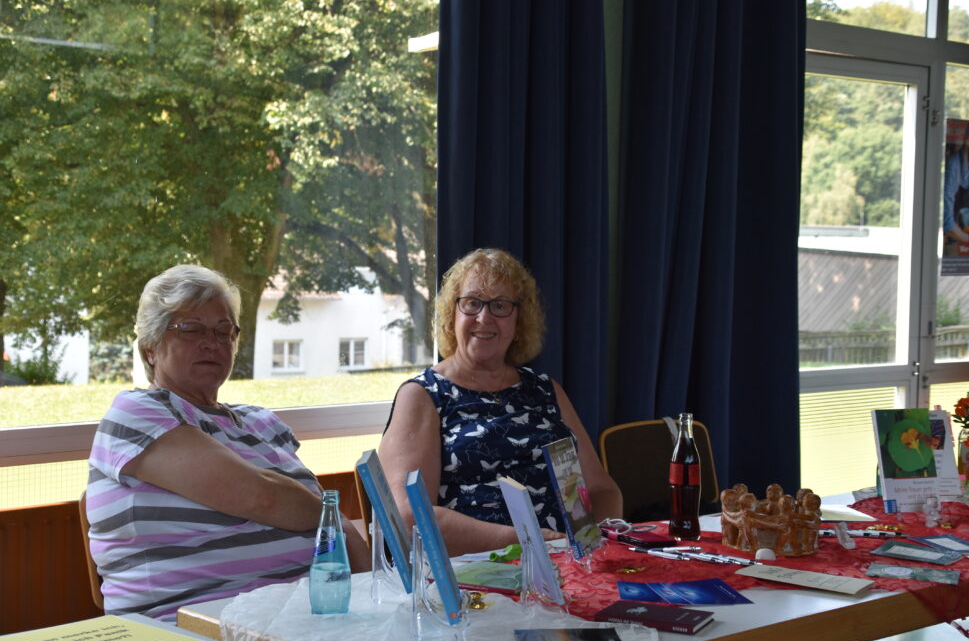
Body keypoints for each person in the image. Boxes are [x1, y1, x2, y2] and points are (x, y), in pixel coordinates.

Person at [85, 264, 370, 620]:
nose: (212, 342)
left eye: (224, 331)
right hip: (186, 628)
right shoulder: (137, 414)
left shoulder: (262, 423)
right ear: (150, 349)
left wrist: (368, 601)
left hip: (303, 619)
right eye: (191, 329)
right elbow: (262, 497)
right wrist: (333, 518)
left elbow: (326, 525)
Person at [378, 248, 622, 555]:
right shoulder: (423, 395)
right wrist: (528, 542)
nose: (484, 317)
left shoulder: (546, 390)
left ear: (519, 321)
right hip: (478, 570)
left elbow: (601, 490)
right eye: (472, 303)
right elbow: (407, 516)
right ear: (452, 314)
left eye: (500, 305)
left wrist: (593, 549)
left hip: (568, 562)